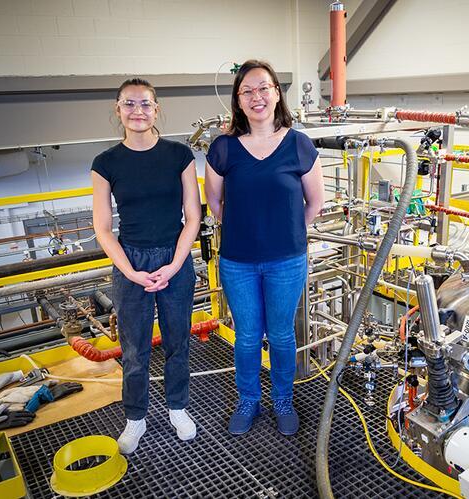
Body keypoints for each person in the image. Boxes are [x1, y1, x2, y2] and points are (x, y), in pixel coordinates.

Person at [204, 60, 323, 436]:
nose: (257, 97)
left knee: (283, 334)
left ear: (276, 93)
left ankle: (283, 400)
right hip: (238, 261)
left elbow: (315, 203)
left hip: (287, 261)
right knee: (249, 336)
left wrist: (285, 232)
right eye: (247, 91)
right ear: (238, 100)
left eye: (263, 88)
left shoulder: (298, 144)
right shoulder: (222, 149)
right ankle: (249, 400)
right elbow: (216, 206)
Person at [92, 78, 201, 454]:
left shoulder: (179, 155)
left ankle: (178, 407)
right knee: (134, 348)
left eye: (145, 104)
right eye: (129, 104)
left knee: (177, 342)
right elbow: (103, 228)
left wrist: (174, 264)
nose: (137, 111)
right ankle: (135, 418)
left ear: (156, 109)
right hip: (130, 260)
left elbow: (193, 217)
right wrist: (129, 270)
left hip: (175, 257)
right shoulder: (105, 163)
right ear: (118, 109)